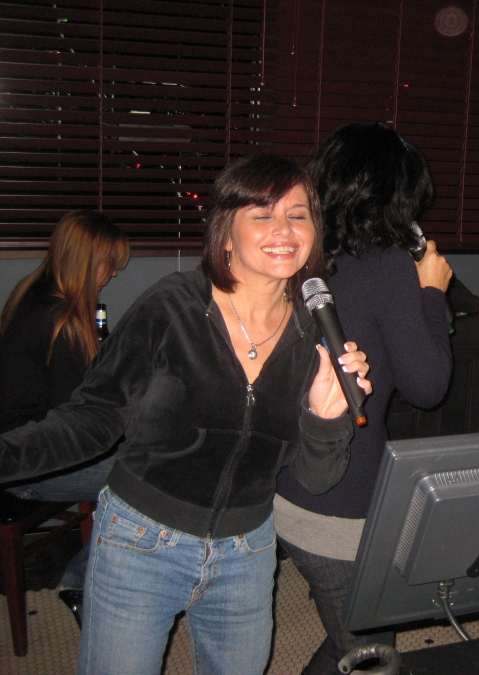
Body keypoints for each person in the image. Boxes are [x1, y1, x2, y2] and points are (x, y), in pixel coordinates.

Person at [0, 153, 372, 675]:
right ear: (226, 233)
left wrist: (327, 417)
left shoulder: (313, 336)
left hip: (247, 552)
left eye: (298, 213)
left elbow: (316, 478)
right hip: (140, 542)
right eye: (261, 215)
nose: (283, 229)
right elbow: (91, 420)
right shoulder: (171, 307)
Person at [274, 122, 453, 675]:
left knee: (355, 640)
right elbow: (429, 388)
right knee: (373, 654)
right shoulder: (385, 265)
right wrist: (431, 293)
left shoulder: (294, 257)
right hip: (338, 512)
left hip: (285, 488)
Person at [0, 210, 130, 618]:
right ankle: (81, 580)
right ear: (88, 261)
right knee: (148, 479)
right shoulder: (59, 320)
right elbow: (78, 421)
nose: (111, 275)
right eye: (108, 265)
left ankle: (86, 578)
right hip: (28, 467)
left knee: (140, 469)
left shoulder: (32, 292)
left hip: (22, 449)